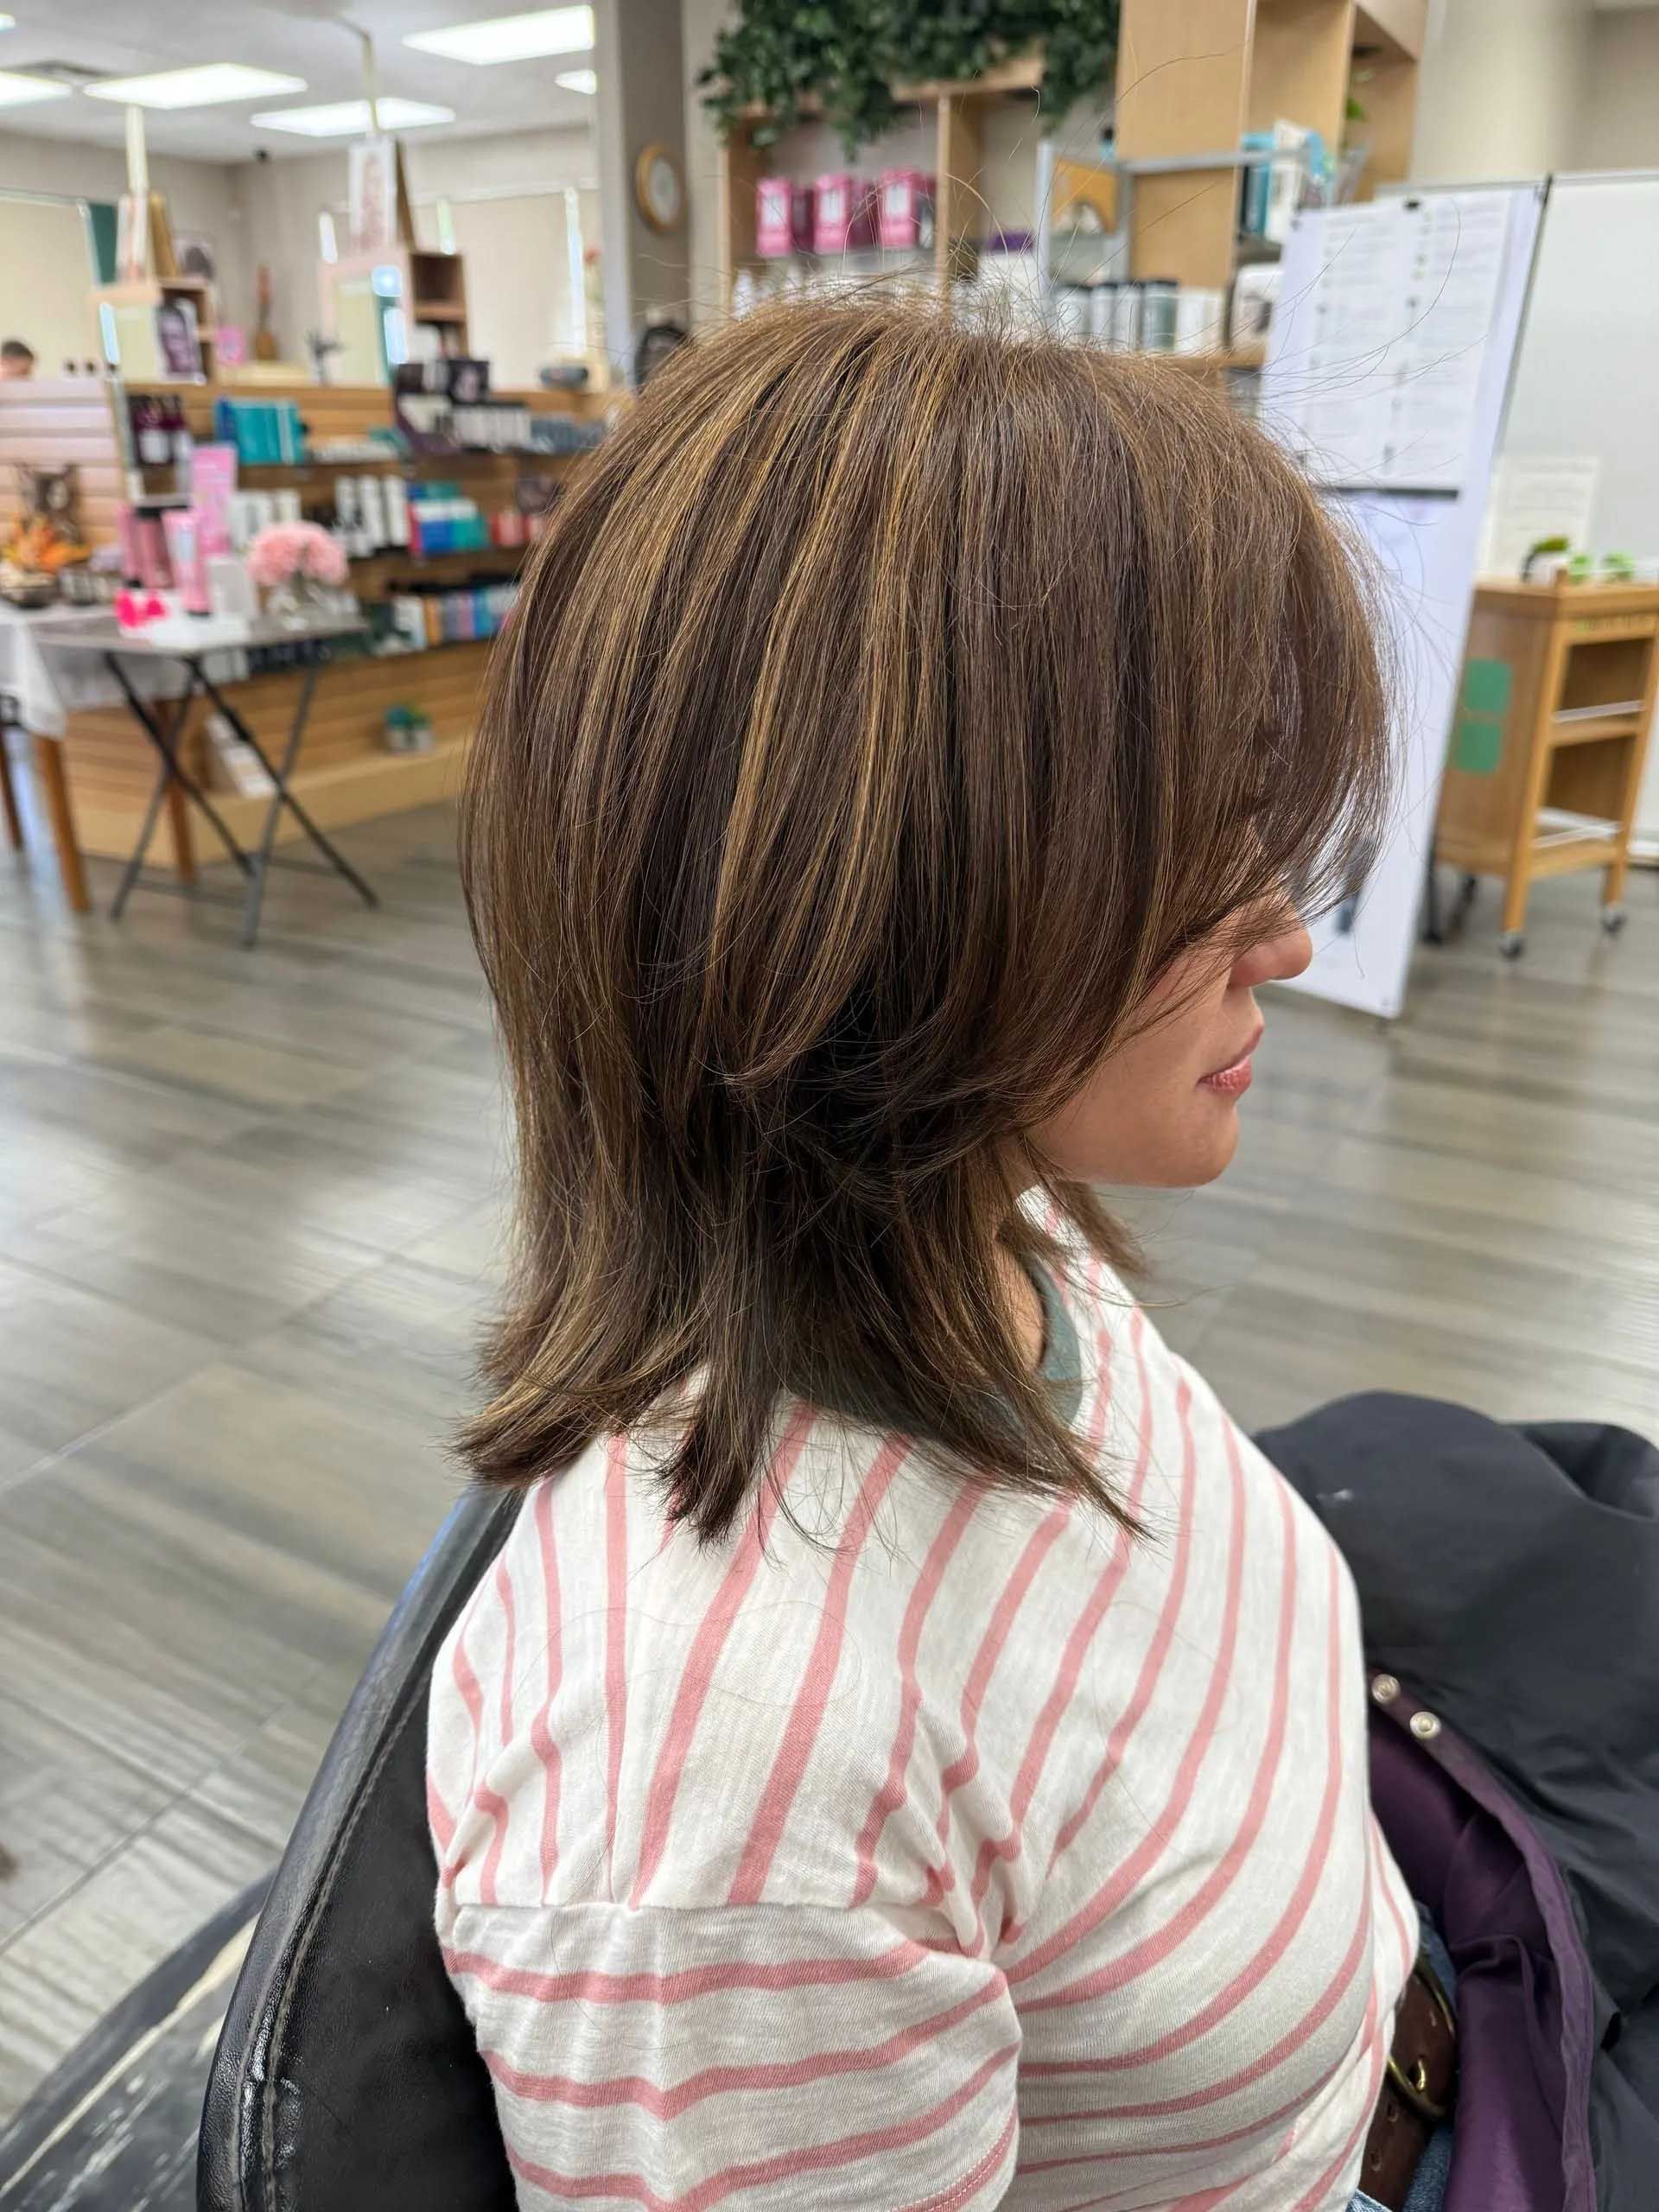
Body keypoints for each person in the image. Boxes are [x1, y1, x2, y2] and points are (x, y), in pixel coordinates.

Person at [429, 298, 1423, 2211]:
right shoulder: (724, 1809)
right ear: (888, 893)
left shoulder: (991, 1207)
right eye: (1201, 848)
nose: (1284, 936)